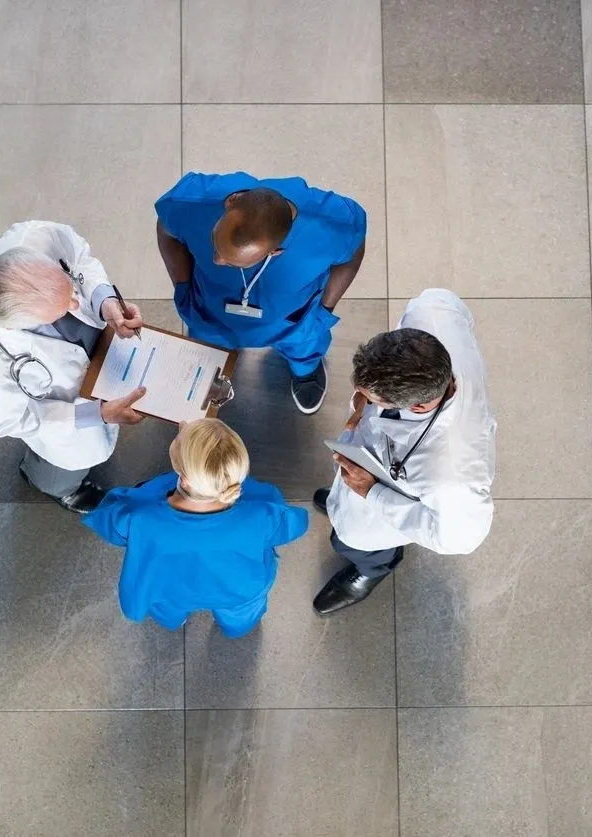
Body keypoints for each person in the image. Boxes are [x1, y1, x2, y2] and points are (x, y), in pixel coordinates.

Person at [312, 289, 497, 615]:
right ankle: (343, 501)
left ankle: (371, 570)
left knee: (353, 542)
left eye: (374, 399)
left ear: (420, 405)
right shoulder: (431, 314)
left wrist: (373, 493)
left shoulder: (453, 475)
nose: (363, 399)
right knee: (342, 503)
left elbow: (459, 540)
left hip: (381, 510)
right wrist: (361, 407)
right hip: (370, 458)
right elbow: (450, 304)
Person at [0, 220, 147, 513]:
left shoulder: (32, 237)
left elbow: (79, 257)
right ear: (28, 325)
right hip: (68, 421)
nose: (76, 305)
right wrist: (96, 413)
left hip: (94, 359)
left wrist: (104, 301)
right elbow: (16, 419)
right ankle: (56, 486)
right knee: (64, 467)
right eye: (62, 308)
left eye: (70, 289)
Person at [154, 172, 367, 415]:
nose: (216, 259)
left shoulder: (334, 224)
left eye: (234, 262)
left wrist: (326, 308)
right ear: (231, 200)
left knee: (304, 346)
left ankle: (305, 370)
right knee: (209, 346)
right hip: (211, 309)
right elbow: (166, 229)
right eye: (216, 240)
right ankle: (212, 363)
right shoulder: (190, 202)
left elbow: (354, 251)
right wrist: (182, 284)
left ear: (275, 251)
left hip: (293, 320)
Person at [82, 418, 309, 638]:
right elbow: (296, 525)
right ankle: (234, 629)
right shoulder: (263, 509)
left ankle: (175, 621)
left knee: (166, 607)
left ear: (184, 478)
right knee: (241, 615)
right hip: (239, 588)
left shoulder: (139, 514)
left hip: (169, 587)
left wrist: (187, 436)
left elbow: (106, 521)